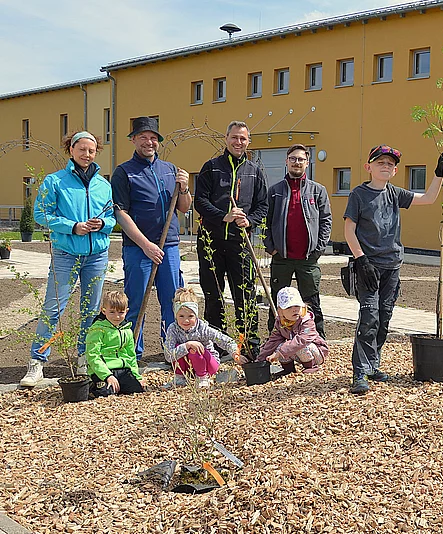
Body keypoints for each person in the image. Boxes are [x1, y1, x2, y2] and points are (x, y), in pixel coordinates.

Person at [344, 145, 443, 395]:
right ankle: (360, 371)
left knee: (383, 318)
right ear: (368, 167)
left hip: (392, 266)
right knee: (368, 317)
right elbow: (349, 228)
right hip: (368, 267)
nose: (386, 166)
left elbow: (428, 199)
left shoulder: (395, 193)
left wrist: (439, 172)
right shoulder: (359, 195)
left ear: (395, 170)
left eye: (390, 164)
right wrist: (361, 260)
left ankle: (373, 366)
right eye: (380, 162)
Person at [21, 132, 115, 387]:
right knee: (54, 307)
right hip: (66, 254)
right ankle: (37, 361)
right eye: (82, 149)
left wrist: (102, 223)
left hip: (96, 255)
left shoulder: (103, 185)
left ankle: (85, 356)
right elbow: (41, 214)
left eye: (91, 151)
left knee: (91, 309)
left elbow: (112, 217)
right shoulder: (55, 182)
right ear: (71, 150)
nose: (87, 155)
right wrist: (72, 226)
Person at [111, 117, 192, 359]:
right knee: (136, 301)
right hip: (139, 249)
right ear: (133, 139)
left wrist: (185, 188)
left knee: (172, 301)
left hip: (169, 246)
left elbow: (185, 208)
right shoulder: (124, 172)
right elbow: (120, 213)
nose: (149, 142)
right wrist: (145, 245)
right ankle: (132, 353)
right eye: (144, 137)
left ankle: (172, 350)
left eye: (153, 138)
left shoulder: (170, 169)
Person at [193, 120, 268, 358]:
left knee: (244, 294)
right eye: (234, 137)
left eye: (243, 139)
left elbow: (263, 205)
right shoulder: (211, 167)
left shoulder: (255, 171)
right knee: (213, 293)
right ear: (226, 139)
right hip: (211, 240)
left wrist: (251, 220)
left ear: (248, 142)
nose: (238, 142)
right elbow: (200, 201)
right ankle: (217, 343)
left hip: (240, 242)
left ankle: (248, 343)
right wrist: (222, 216)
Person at [263, 144, 331, 336]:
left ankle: (317, 341)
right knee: (278, 301)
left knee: (311, 301)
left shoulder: (318, 191)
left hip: (308, 258)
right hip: (281, 257)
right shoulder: (275, 191)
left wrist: (318, 249)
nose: (296, 162)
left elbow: (326, 220)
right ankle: (276, 340)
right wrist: (271, 247)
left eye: (300, 159)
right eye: (293, 158)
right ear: (286, 161)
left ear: (307, 163)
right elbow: (265, 222)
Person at [164, 286, 240, 388]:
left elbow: (224, 339)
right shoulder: (173, 329)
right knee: (180, 347)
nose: (186, 321)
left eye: (190, 316)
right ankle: (180, 377)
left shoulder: (203, 328)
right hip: (188, 367)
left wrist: (235, 352)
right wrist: (186, 345)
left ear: (196, 315)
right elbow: (168, 355)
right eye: (181, 316)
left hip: (208, 365)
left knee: (193, 350)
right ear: (175, 315)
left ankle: (202, 378)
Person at [85, 291, 144, 398]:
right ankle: (92, 386)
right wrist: (107, 376)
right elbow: (93, 355)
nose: (116, 317)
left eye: (121, 312)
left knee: (137, 391)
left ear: (126, 311)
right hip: (103, 371)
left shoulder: (127, 330)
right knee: (104, 394)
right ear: (103, 311)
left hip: (122, 369)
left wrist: (137, 376)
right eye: (112, 312)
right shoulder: (97, 329)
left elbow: (131, 356)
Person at [259, 287, 330, 374]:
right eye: (289, 307)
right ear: (280, 311)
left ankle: (311, 366)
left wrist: (280, 352)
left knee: (299, 346)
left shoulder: (306, 320)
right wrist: (260, 358)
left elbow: (302, 339)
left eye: (297, 306)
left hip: (316, 353)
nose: (294, 309)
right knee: (279, 346)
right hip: (296, 352)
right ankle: (288, 370)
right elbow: (273, 341)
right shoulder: (280, 322)